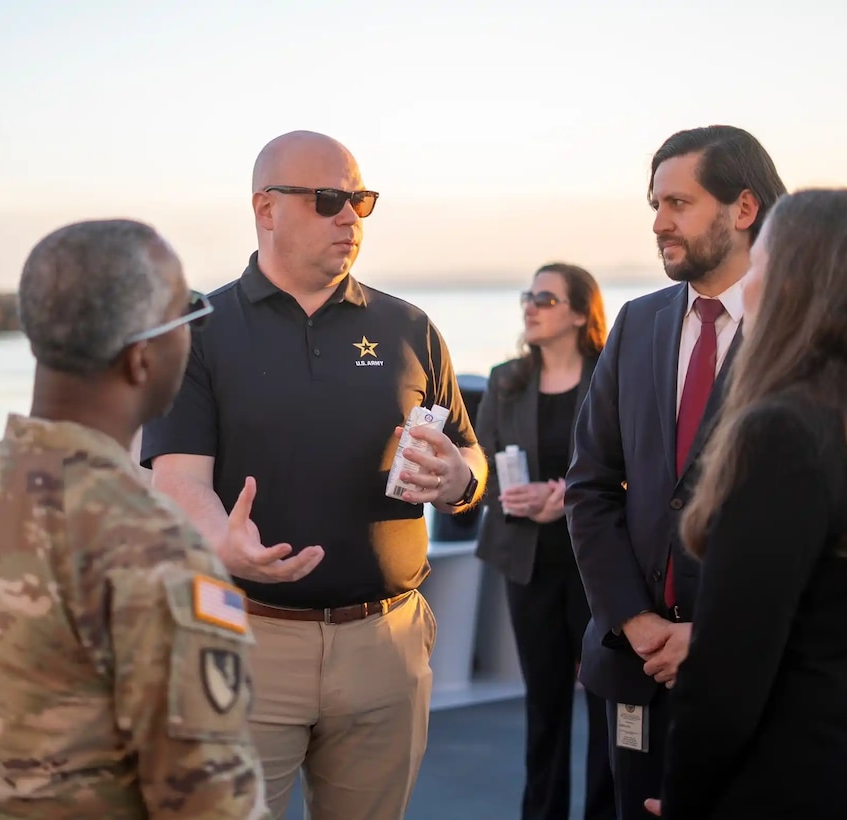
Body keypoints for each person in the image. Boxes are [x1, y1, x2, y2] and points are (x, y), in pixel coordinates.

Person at [140, 130, 487, 820]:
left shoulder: (409, 328)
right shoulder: (197, 332)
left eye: (360, 199)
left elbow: (471, 458)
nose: (350, 216)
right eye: (329, 199)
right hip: (245, 641)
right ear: (265, 209)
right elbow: (178, 482)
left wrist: (458, 481)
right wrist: (222, 541)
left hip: (385, 644)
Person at [0, 219, 268, 818]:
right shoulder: (156, 549)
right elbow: (212, 804)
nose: (195, 338)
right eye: (190, 317)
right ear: (141, 354)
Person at [643, 188, 847, 819]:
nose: (747, 285)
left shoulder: (782, 433)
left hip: (813, 779)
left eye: (758, 265)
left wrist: (685, 801)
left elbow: (728, 672)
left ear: (796, 285)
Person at [565, 125, 787, 820]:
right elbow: (590, 487)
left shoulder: (801, 333)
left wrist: (716, 632)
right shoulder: (636, 326)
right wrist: (633, 620)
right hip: (636, 669)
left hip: (756, 678)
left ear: (743, 209)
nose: (659, 223)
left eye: (679, 203)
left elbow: (816, 527)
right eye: (655, 203)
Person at [475, 263, 616, 820]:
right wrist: (513, 499)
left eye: (546, 298)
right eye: (528, 296)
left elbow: (641, 466)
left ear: (581, 313)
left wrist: (567, 496)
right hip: (526, 564)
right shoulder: (505, 380)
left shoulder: (613, 375)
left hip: (600, 569)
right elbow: (478, 469)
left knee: (608, 706)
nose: (530, 306)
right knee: (545, 707)